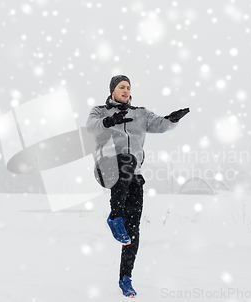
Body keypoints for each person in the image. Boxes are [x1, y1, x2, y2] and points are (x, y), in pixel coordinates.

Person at [86, 75, 190, 298]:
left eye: (128, 87)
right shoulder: (99, 111)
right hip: (107, 165)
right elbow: (91, 127)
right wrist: (109, 121)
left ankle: (126, 278)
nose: (125, 90)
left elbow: (160, 125)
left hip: (132, 174)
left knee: (133, 229)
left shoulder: (140, 113)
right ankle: (114, 216)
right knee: (125, 159)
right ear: (113, 90)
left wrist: (172, 120)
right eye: (121, 87)